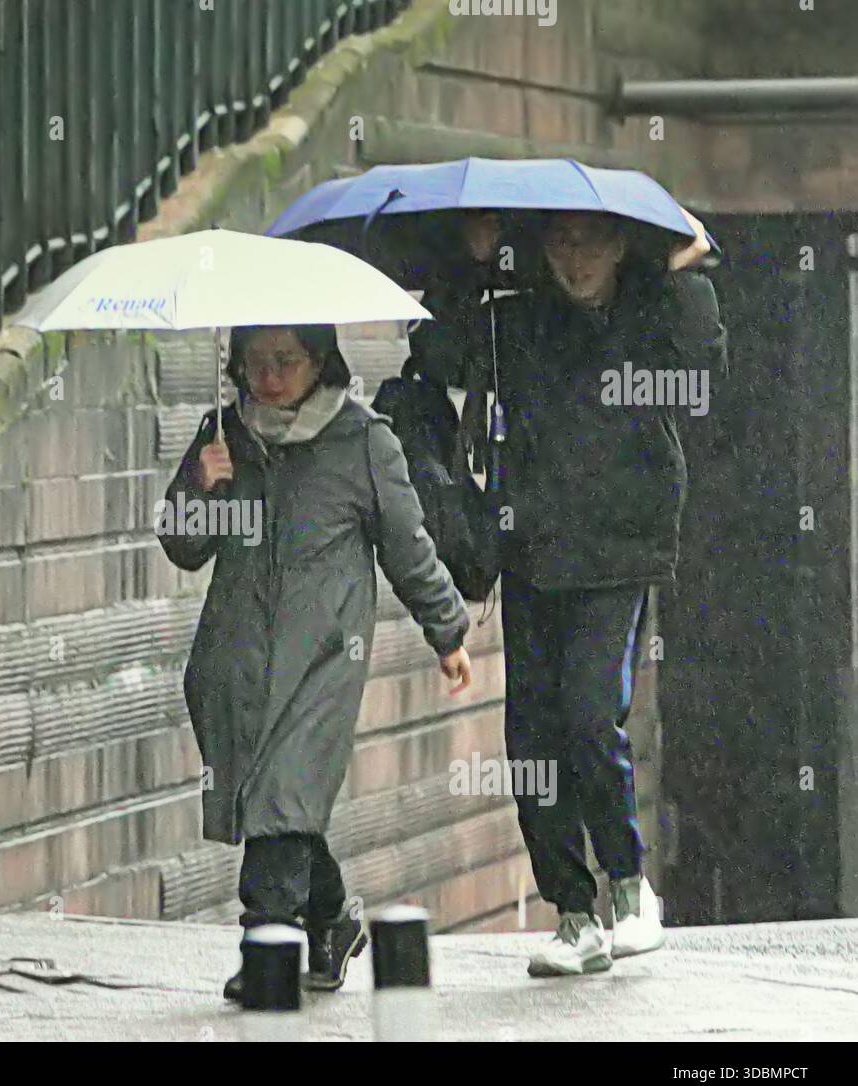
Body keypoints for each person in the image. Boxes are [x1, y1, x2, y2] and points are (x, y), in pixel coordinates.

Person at [158, 323, 473, 1002]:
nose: (269, 377)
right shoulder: (224, 433)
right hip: (235, 656)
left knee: (281, 796)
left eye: (285, 361)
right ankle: (330, 918)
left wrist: (447, 630)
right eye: (256, 362)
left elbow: (408, 546)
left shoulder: (363, 441)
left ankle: (265, 947)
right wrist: (200, 487)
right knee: (279, 805)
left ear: (319, 360)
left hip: (324, 659)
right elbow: (183, 545)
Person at [483, 211, 728, 977]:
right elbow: (447, 351)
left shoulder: (652, 311)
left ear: (624, 246)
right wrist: (475, 260)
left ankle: (629, 887)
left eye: (593, 241)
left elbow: (703, 356)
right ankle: (573, 911)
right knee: (532, 738)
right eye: (562, 242)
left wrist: (685, 263)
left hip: (619, 549)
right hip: (532, 548)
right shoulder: (516, 317)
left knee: (592, 715)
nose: (577, 258)